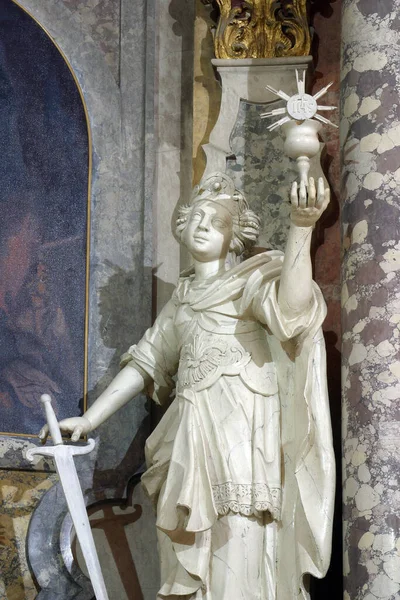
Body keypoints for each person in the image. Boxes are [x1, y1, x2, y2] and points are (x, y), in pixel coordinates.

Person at [39, 172, 335, 599]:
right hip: (187, 433)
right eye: (196, 216)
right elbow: (146, 361)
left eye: (215, 221)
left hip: (241, 433)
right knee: (185, 544)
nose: (202, 225)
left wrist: (301, 226)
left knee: (239, 535)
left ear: (233, 236)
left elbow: (292, 310)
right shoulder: (182, 299)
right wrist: (89, 417)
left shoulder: (248, 282)